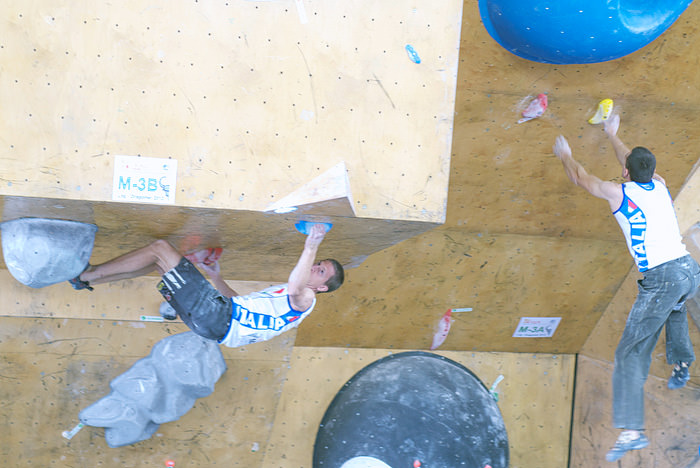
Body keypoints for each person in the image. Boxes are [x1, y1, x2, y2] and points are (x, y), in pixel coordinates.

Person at [553, 114, 700, 463]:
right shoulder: (660, 184)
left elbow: (580, 177)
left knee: (629, 353)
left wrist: (565, 154)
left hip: (663, 277)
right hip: (690, 270)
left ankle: (632, 430)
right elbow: (631, 160)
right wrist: (611, 135)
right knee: (675, 305)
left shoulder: (618, 193)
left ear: (625, 173)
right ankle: (681, 361)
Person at [69, 223, 344, 347]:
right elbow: (237, 302)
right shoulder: (285, 302)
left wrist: (311, 246)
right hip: (214, 326)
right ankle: (88, 280)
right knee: (160, 264)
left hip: (217, 317)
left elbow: (296, 287)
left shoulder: (306, 299)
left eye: (321, 271)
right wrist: (216, 276)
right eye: (318, 263)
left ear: (322, 288)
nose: (315, 267)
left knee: (161, 249)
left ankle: (87, 275)